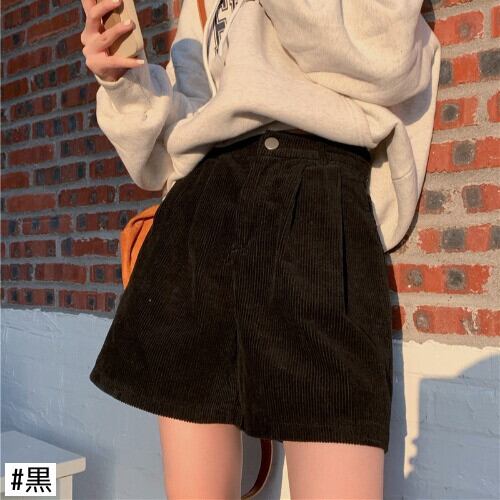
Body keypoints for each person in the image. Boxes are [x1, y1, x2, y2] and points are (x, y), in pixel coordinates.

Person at [81, 0, 441, 497]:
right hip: (203, 211)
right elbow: (172, 146)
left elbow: (386, 63)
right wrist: (123, 82)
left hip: (318, 204)